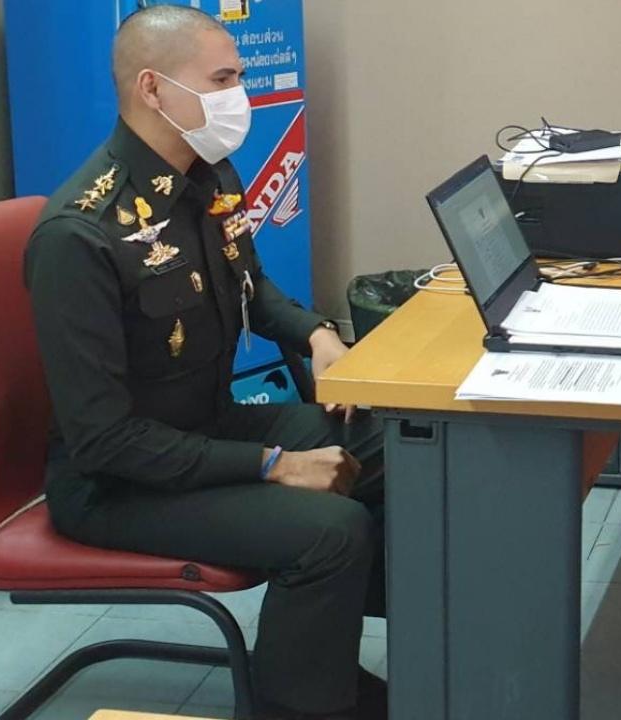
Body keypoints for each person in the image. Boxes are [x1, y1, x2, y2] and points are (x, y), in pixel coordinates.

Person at [23, 7, 384, 719]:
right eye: (221, 80)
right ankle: (302, 706)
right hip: (119, 484)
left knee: (391, 441)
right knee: (331, 533)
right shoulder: (80, 235)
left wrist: (318, 335)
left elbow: (252, 286)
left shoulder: (208, 174)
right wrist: (272, 465)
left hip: (205, 427)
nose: (238, 96)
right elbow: (105, 442)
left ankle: (330, 663)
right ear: (153, 89)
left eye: (238, 78)